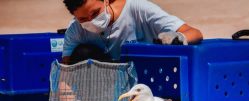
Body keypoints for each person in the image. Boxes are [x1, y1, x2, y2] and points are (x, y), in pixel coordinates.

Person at [61, 0, 203, 64]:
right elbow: (65, 71)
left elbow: (195, 33)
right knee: (82, 53)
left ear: (105, 1)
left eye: (95, 13)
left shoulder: (138, 9)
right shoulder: (75, 30)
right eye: (83, 18)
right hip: (108, 85)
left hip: (148, 78)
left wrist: (177, 37)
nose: (91, 20)